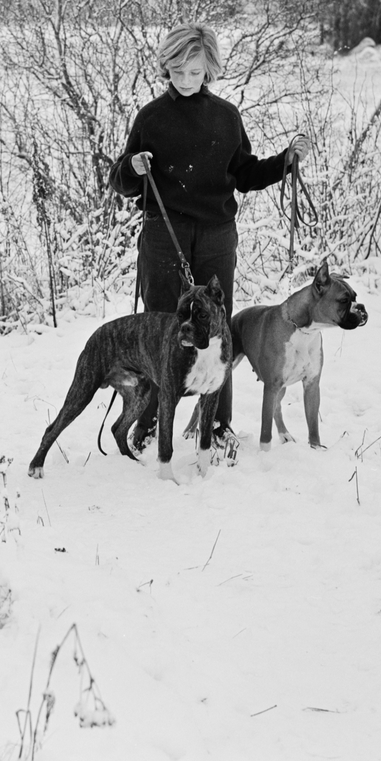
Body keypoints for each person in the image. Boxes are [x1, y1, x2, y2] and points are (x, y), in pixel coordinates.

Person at [108, 23, 310, 446]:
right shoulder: (151, 118)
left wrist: (285, 161)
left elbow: (245, 174)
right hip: (164, 234)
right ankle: (148, 424)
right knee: (162, 329)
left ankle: (216, 427)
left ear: (209, 70)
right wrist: (133, 167)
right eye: (177, 71)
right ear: (166, 68)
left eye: (194, 72)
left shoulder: (225, 117)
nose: (185, 80)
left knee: (217, 332)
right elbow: (122, 181)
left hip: (218, 235)